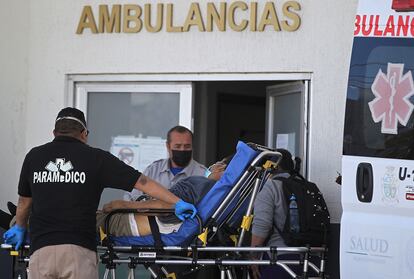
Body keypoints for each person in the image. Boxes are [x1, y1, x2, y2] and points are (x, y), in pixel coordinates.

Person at [2, 107, 197, 279]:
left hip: (40, 250)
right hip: (77, 251)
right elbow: (142, 182)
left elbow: (24, 203)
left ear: (54, 132)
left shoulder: (34, 156)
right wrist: (177, 202)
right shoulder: (96, 158)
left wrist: (20, 228)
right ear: (84, 133)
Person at [98, 158, 229, 237]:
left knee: (84, 220)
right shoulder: (219, 195)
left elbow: (168, 205)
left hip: (136, 223)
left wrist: (123, 205)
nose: (211, 167)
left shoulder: (200, 183)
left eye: (215, 163)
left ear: (220, 166)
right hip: (159, 227)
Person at [125, 125, 207, 201]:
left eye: (187, 146)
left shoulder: (202, 174)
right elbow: (131, 197)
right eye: (177, 146)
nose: (182, 150)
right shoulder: (154, 170)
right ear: (168, 146)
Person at [250, 149, 296, 279]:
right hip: (310, 260)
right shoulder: (307, 186)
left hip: (279, 261)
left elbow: (262, 226)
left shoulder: (271, 187)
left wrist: (253, 258)